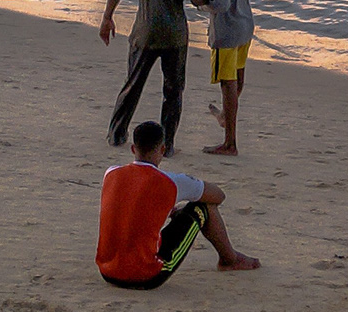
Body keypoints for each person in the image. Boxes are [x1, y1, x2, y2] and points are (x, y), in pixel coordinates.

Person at [96, 118, 259, 286]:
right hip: (145, 275)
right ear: (162, 149)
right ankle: (229, 259)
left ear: (133, 149)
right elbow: (218, 196)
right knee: (203, 207)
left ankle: (229, 258)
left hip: (107, 271)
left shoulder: (111, 173)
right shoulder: (171, 181)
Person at [101, 0, 205, 152]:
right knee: (173, 91)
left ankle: (116, 134)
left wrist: (107, 17)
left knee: (132, 86)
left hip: (144, 31)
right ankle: (166, 145)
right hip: (174, 35)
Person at [202, 0, 254, 157]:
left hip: (227, 31)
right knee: (238, 76)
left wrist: (201, 3)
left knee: (227, 83)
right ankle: (226, 116)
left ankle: (230, 142)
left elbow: (221, 4)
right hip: (245, 25)